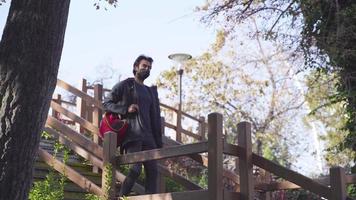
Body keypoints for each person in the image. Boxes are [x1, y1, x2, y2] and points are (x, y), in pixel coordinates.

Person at [102, 55, 162, 196]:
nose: (147, 69)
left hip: (149, 138)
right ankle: (122, 197)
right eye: (144, 66)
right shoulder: (126, 85)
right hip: (132, 136)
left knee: (153, 173)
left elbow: (155, 118)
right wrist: (125, 109)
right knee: (135, 169)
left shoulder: (150, 91)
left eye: (149, 67)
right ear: (136, 67)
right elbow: (106, 103)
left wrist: (158, 141)